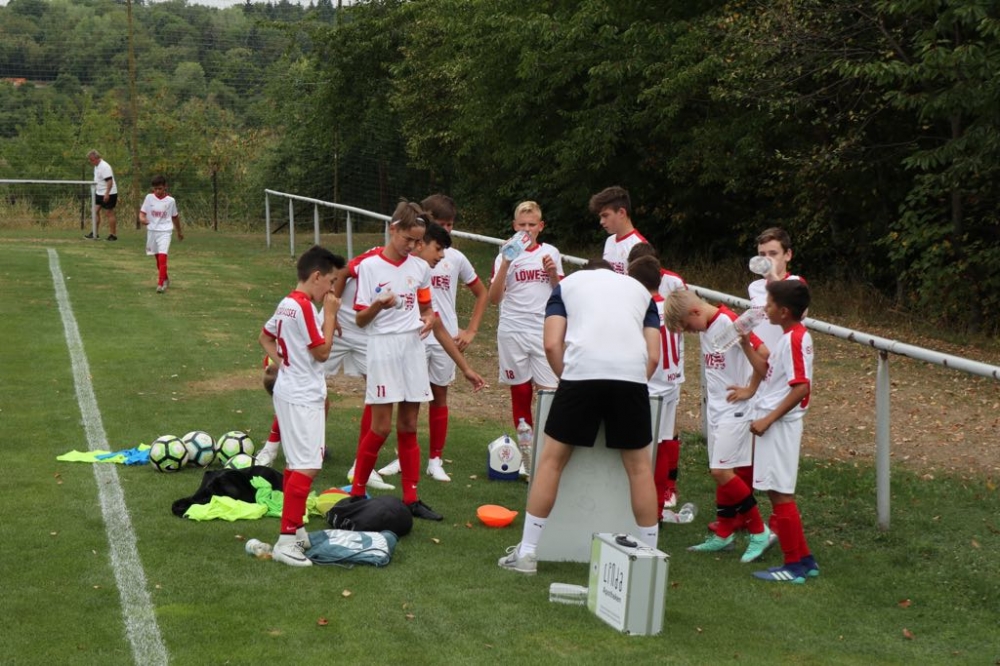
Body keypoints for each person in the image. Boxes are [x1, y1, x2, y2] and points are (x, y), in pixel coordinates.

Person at [498, 261, 661, 574]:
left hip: (581, 374)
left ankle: (528, 552)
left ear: (584, 271)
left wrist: (567, 379)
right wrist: (635, 383)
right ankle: (650, 560)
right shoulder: (640, 291)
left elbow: (551, 343)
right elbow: (653, 355)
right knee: (640, 469)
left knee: (551, 462)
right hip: (631, 377)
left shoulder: (566, 286)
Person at [349, 202, 485, 521]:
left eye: (417, 241)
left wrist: (427, 318)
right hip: (383, 348)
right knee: (381, 427)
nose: (412, 246)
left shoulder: (420, 269)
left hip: (412, 348)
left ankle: (411, 498)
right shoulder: (370, 267)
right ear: (392, 229)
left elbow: (426, 310)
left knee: (409, 425)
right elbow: (360, 320)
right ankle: (356, 493)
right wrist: (378, 305)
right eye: (407, 239)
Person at [377, 194, 489, 482]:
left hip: (444, 337)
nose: (446, 229)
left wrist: (470, 330)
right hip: (412, 336)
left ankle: (435, 460)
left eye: (450, 224)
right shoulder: (409, 258)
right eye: (440, 223)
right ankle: (402, 456)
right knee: (406, 397)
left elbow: (482, 293)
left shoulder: (454, 257)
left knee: (440, 394)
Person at [662, 288, 776, 564]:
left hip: (734, 412)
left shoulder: (728, 322)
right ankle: (724, 532)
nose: (690, 332)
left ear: (695, 312)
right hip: (717, 410)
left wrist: (750, 388)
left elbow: (764, 355)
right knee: (722, 470)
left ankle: (759, 531)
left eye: (688, 327)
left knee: (721, 471)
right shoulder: (707, 324)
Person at [258, 245, 344, 567]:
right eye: (331, 282)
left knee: (296, 464)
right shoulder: (305, 306)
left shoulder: (287, 303)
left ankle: (296, 531)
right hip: (302, 395)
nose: (331, 290)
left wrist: (285, 364)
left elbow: (264, 337)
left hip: (289, 390)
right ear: (317, 276)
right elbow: (322, 353)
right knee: (308, 466)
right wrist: (330, 316)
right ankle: (285, 540)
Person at [742, 279, 818, 583]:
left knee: (780, 494)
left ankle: (792, 566)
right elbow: (768, 373)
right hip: (776, 423)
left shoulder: (796, 339)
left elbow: (801, 387)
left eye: (770, 304)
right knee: (778, 492)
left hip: (780, 426)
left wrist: (768, 419)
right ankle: (805, 560)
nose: (766, 308)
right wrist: (744, 343)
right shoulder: (789, 337)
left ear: (784, 311)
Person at [488, 200, 564, 456]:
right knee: (520, 393)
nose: (527, 230)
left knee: (549, 394)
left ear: (541, 226)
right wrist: (506, 263)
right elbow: (494, 298)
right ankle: (527, 453)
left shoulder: (551, 253)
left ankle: (547, 452)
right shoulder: (504, 255)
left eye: (532, 225)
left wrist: (552, 274)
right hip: (513, 330)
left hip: (544, 330)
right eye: (522, 225)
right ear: (514, 226)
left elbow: (561, 294)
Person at [627, 243, 686, 510]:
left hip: (651, 385)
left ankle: (647, 504)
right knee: (663, 443)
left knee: (645, 448)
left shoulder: (642, 310)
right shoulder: (672, 306)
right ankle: (660, 502)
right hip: (671, 381)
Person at [138, 175, 183, 293]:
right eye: (155, 189)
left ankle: (160, 284)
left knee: (163, 257)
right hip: (152, 231)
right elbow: (142, 213)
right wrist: (142, 219)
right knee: (158, 259)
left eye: (160, 188)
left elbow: (175, 217)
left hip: (165, 231)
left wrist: (179, 232)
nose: (157, 191)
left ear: (165, 187)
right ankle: (165, 278)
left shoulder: (171, 201)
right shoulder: (149, 198)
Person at [590, 186, 648, 274]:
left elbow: (645, 282)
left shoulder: (640, 247)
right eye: (600, 217)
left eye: (605, 215)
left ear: (621, 213)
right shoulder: (609, 240)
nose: (601, 221)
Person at [85, 150, 118, 241]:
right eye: (89, 160)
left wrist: (107, 193)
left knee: (109, 213)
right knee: (94, 211)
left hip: (109, 193)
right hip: (99, 193)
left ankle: (113, 235)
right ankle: (95, 233)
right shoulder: (97, 166)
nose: (90, 162)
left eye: (91, 160)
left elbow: (110, 181)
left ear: (96, 158)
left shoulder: (105, 166)